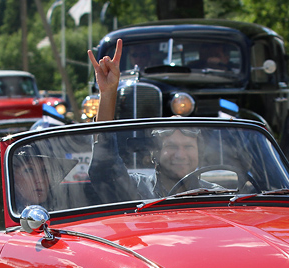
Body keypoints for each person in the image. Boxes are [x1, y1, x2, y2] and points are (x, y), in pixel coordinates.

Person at [87, 40, 217, 200]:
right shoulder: (136, 189)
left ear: (199, 153)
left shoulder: (216, 196)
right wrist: (108, 93)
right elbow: (105, 170)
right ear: (154, 153)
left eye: (188, 146)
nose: (180, 154)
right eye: (171, 146)